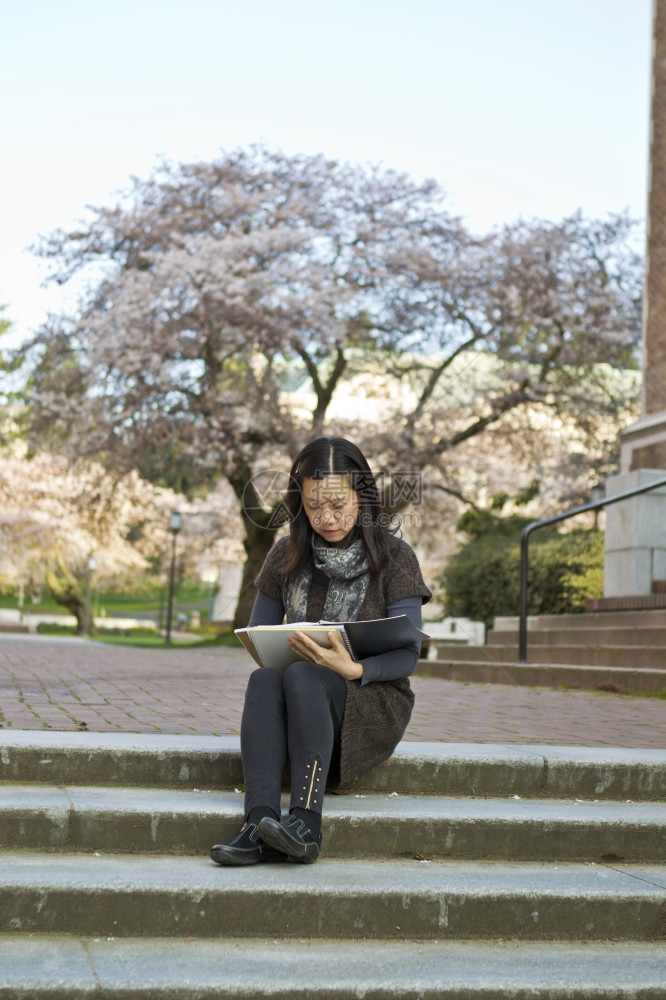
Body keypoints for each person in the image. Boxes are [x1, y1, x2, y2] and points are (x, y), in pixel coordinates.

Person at [210, 437, 431, 866]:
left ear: (362, 497)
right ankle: (257, 825)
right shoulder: (284, 556)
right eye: (313, 506)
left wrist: (350, 667)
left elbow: (408, 655)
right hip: (297, 701)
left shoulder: (396, 558)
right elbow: (260, 635)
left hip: (371, 701)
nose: (326, 517)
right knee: (268, 677)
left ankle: (306, 825)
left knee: (305, 675)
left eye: (337, 504)